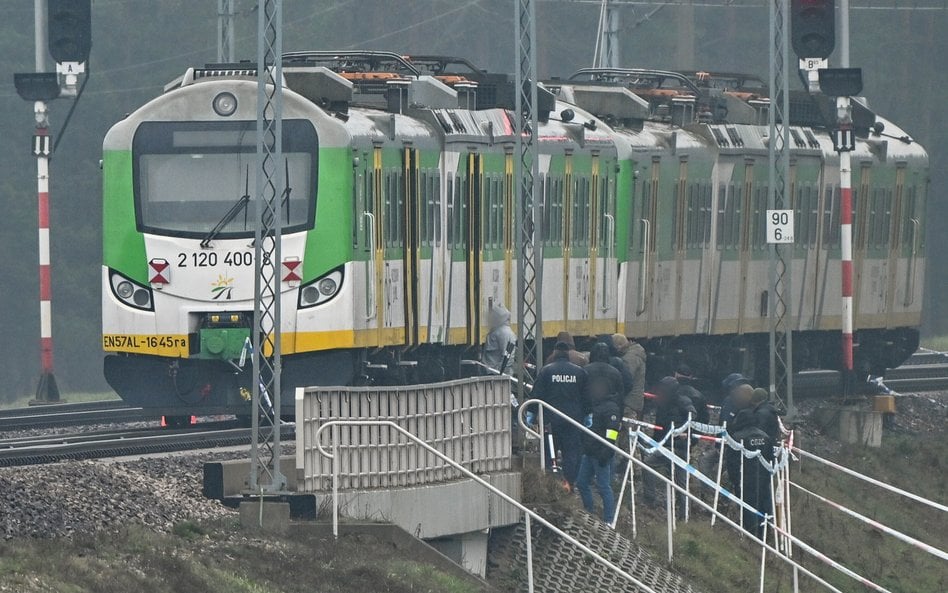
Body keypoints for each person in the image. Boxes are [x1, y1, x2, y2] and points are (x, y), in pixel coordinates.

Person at [576, 343, 623, 522]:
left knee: (603, 486)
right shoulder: (615, 375)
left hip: (598, 449)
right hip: (593, 448)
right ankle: (592, 513)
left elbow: (611, 430)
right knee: (586, 482)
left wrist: (607, 449)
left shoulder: (605, 406)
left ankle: (609, 520)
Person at [532, 341, 588, 488]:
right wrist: (586, 415)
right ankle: (569, 483)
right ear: (568, 354)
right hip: (573, 421)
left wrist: (532, 413)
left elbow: (537, 394)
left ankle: (551, 483)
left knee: (550, 451)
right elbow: (586, 397)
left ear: (554, 353)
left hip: (551, 421)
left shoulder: (546, 371)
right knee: (571, 453)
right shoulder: (579, 372)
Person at [643, 377, 697, 516]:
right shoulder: (664, 402)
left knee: (680, 482)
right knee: (679, 481)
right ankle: (652, 499)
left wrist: (684, 430)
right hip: (666, 445)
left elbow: (693, 415)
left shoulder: (682, 401)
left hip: (677, 446)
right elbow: (660, 426)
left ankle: (683, 513)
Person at [730, 387, 777, 538]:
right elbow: (771, 457)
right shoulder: (765, 437)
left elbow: (732, 461)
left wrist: (734, 480)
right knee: (764, 503)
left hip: (745, 478)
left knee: (747, 506)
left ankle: (751, 536)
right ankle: (765, 533)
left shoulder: (737, 438)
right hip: (763, 478)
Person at [612, 334, 646, 419]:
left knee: (627, 429)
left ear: (619, 346)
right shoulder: (635, 352)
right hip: (635, 400)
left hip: (629, 402)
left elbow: (626, 379)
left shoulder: (629, 358)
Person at [482, 303, 516, 373]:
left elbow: (507, 356)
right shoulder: (501, 331)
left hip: (494, 373)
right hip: (493, 372)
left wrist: (498, 371)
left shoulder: (502, 333)